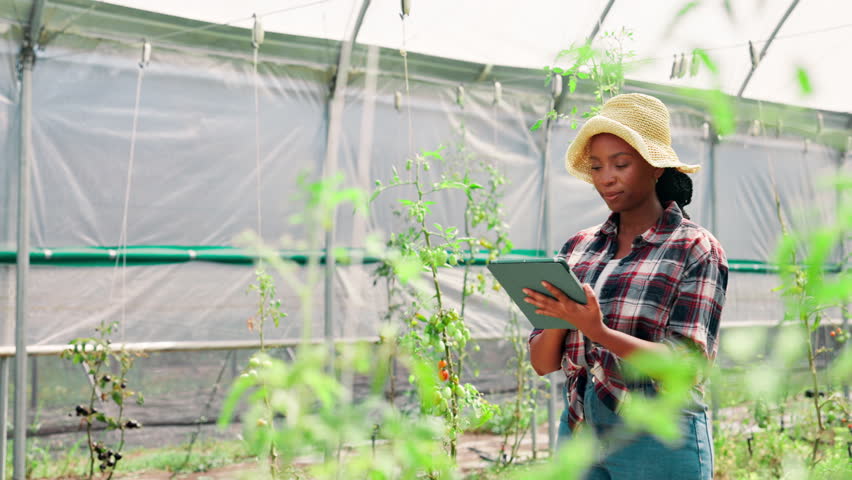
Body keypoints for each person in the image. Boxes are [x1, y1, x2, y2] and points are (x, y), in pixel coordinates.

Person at [526, 93, 728, 480]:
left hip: (658, 437)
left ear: (655, 167)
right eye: (597, 166)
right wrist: (560, 317)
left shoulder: (694, 248)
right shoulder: (577, 248)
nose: (606, 177)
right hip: (580, 430)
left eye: (621, 164)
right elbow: (542, 363)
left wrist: (596, 331)